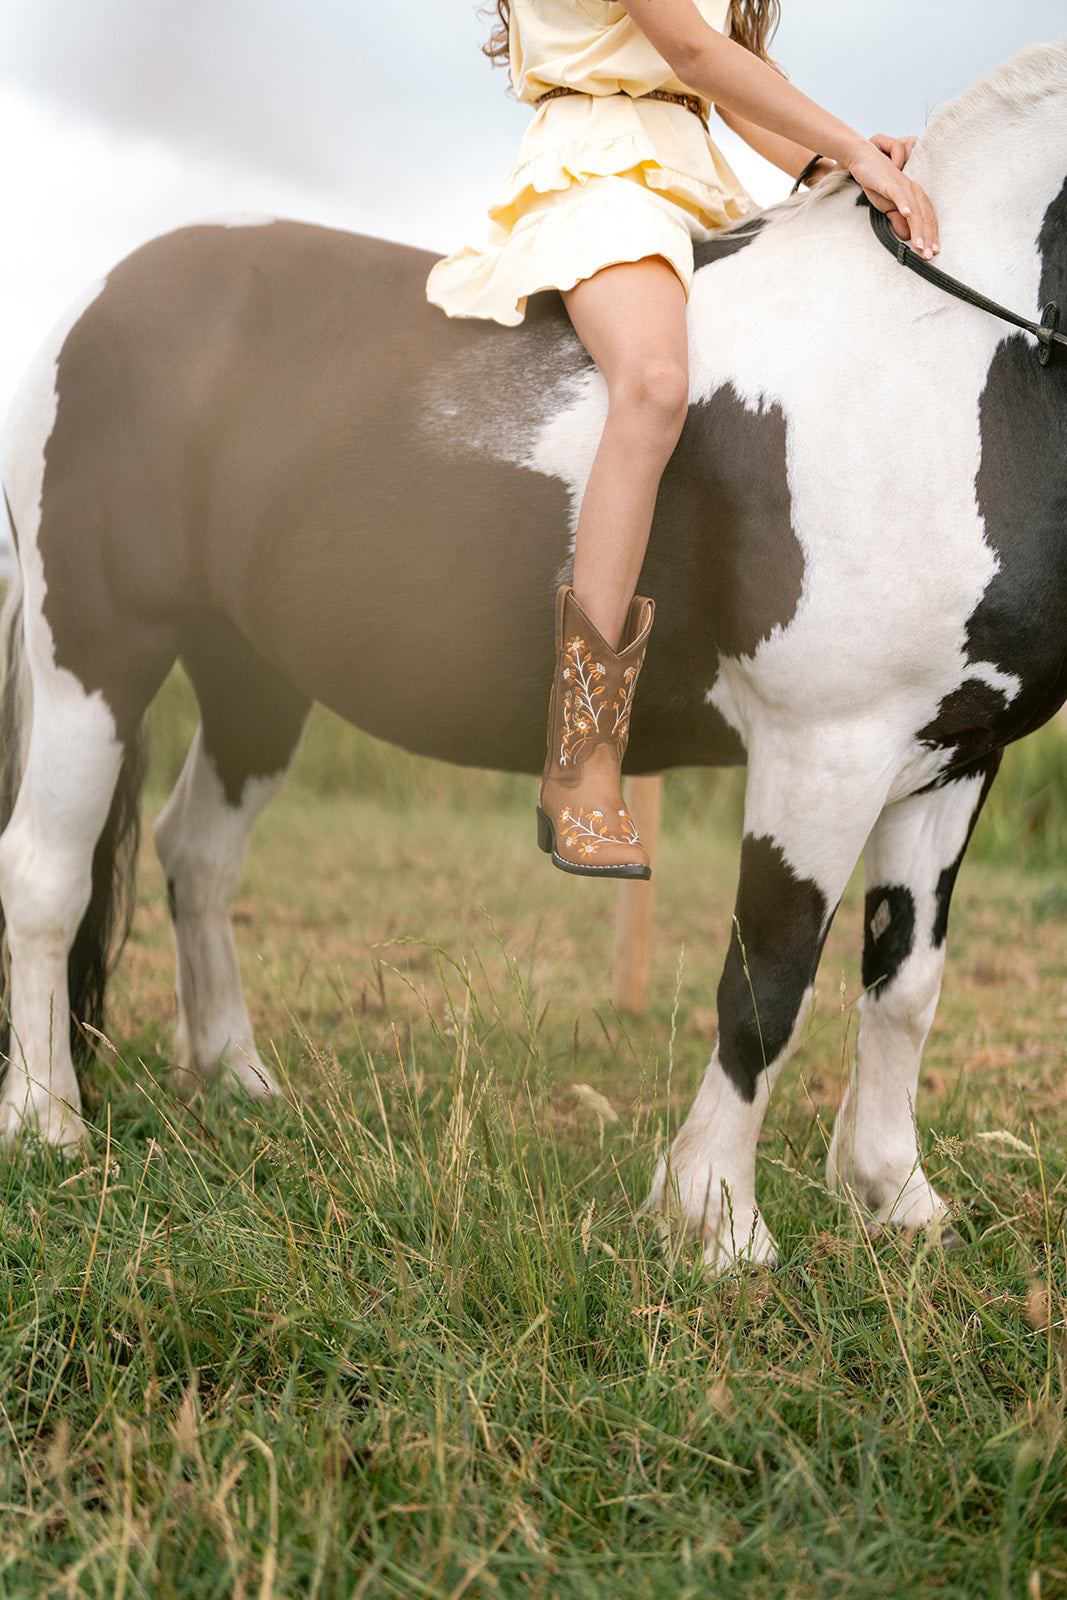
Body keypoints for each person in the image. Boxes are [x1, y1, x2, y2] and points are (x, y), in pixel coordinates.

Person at [427, 0, 939, 881]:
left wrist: (842, 164)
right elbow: (693, 53)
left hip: (695, 180)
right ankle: (582, 756)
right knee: (656, 386)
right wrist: (849, 146)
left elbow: (735, 89)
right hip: (598, 178)